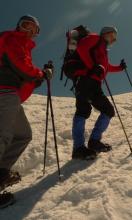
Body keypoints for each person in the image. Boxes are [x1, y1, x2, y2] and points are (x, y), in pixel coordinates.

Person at [0, 15, 49, 208]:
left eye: (33, 28)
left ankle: (1, 172)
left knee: (23, 134)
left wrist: (39, 76)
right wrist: (40, 74)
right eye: (25, 25)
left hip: (10, 94)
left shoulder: (25, 48)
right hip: (3, 91)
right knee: (3, 134)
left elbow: (24, 73)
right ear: (18, 25)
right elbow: (20, 65)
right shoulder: (12, 39)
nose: (28, 30)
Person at [72, 26, 127, 160]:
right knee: (84, 111)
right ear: (105, 33)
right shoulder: (95, 38)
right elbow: (81, 48)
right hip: (86, 80)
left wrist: (120, 68)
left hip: (94, 83)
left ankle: (91, 143)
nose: (113, 39)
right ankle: (80, 147)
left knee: (105, 110)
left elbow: (106, 67)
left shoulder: (103, 49)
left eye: (115, 38)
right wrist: (92, 67)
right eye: (112, 35)